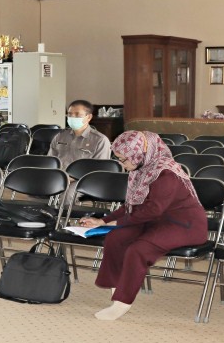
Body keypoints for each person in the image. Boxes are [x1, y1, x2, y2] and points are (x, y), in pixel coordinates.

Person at [79, 131, 207, 321]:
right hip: (156, 220)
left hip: (184, 225)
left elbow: (152, 210)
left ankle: (122, 302)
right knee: (116, 237)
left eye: (123, 159)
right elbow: (132, 206)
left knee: (138, 249)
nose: (122, 165)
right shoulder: (142, 168)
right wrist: (104, 221)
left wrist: (117, 222)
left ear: (138, 154)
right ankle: (117, 290)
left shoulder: (166, 173)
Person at [49, 100, 111, 170]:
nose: (72, 117)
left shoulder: (100, 140)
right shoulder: (60, 136)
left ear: (89, 117)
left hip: (84, 177)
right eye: (69, 114)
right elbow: (50, 162)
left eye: (77, 115)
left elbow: (100, 170)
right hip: (58, 176)